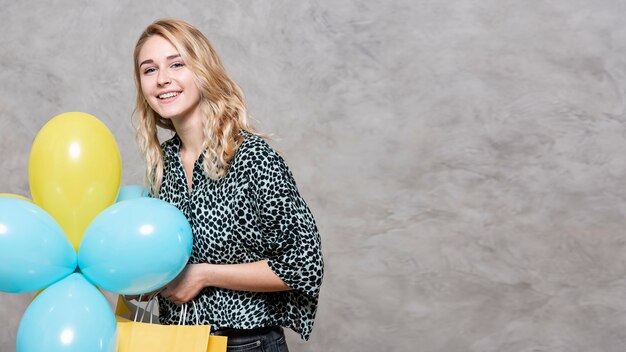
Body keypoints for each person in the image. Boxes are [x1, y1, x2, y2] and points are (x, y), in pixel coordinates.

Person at [131, 18, 324, 351]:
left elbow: (303, 264)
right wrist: (147, 280)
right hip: (177, 341)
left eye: (177, 64)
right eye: (149, 70)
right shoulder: (162, 164)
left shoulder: (252, 157)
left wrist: (205, 274)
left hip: (245, 343)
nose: (162, 79)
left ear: (202, 70)